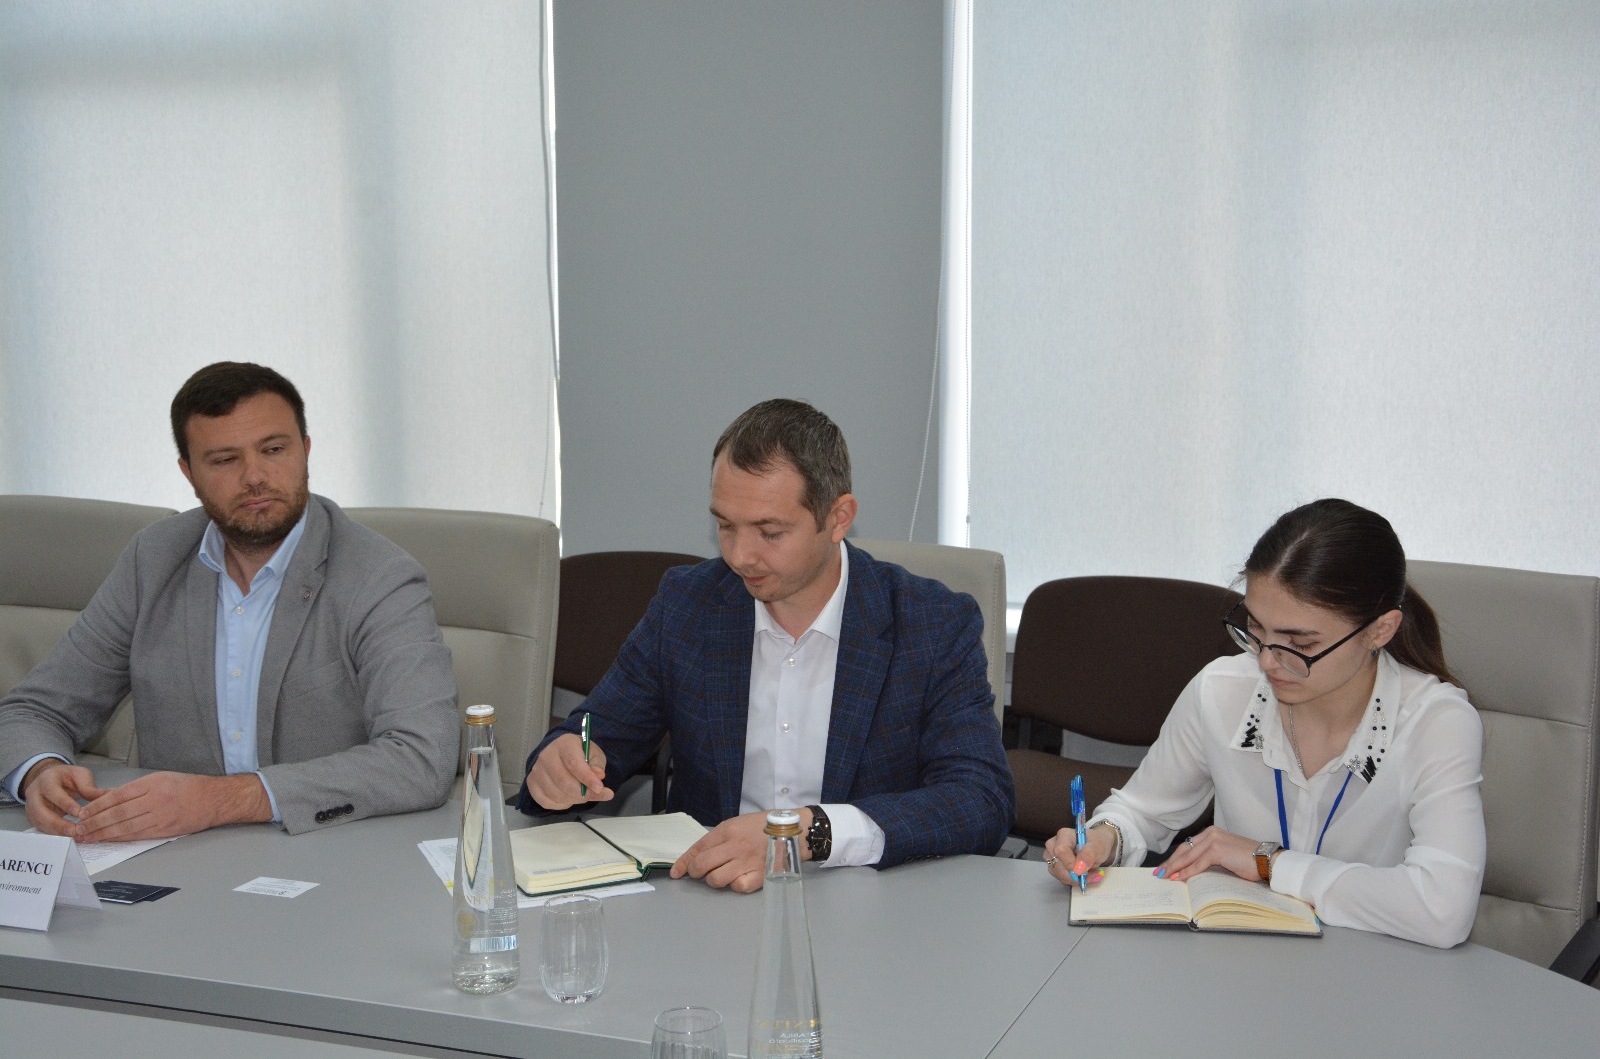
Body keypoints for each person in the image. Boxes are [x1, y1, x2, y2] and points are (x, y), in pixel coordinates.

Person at [521, 398, 1014, 892]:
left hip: (866, 897)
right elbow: (596, 734)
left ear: (838, 518)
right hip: (710, 900)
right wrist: (561, 764)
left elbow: (980, 799)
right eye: (725, 526)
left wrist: (808, 833)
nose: (739, 556)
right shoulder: (689, 605)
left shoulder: (931, 624)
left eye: (769, 532)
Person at [0, 362, 460, 841]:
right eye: (224, 460)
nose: (255, 476)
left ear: (305, 450)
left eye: (274, 450)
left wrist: (222, 800)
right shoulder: (153, 560)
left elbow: (422, 757)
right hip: (181, 860)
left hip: (330, 851)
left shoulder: (378, 576)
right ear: (189, 473)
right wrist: (39, 771)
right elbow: (33, 711)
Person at [1045, 498, 1485, 948]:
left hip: (1376, 970)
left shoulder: (1436, 723)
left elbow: (1443, 909)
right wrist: (1102, 839)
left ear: (1380, 630)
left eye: (1299, 644)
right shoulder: (1222, 691)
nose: (1267, 661)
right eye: (1255, 630)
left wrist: (1268, 863)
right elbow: (1142, 811)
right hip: (1241, 962)